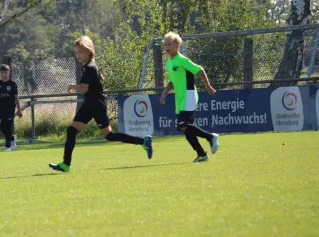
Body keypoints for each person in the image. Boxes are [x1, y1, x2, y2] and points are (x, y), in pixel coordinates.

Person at [49, 36, 153, 172]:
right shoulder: (90, 66)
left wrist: (72, 86)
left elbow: (84, 88)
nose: (77, 55)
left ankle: (144, 141)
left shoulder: (89, 67)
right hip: (90, 105)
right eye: (76, 52)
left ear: (88, 51)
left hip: (96, 105)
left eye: (80, 52)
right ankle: (66, 164)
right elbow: (100, 79)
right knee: (71, 130)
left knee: (109, 136)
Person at [159, 32, 219, 162]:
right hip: (180, 100)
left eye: (169, 44)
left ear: (177, 45)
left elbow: (200, 70)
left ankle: (210, 137)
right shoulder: (169, 63)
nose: (166, 47)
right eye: (165, 44)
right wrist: (164, 93)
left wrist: (208, 87)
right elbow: (171, 82)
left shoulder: (182, 60)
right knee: (186, 130)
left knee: (183, 125)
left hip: (189, 96)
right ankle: (202, 154)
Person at [0, 64, 23, 151]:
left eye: (5, 72)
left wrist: (19, 109)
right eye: (2, 72)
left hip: (10, 108)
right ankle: (12, 138)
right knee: (2, 127)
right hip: (1, 109)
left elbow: (16, 98)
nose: (3, 74)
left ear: (9, 72)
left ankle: (7, 146)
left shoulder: (12, 84)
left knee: (9, 125)